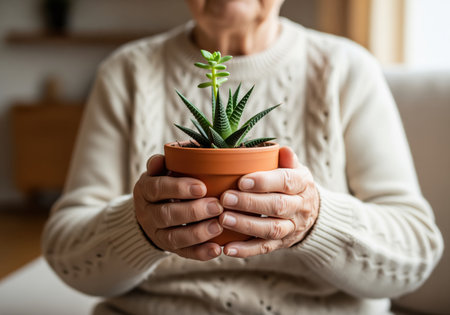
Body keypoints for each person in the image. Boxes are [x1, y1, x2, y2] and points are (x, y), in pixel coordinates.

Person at [42, 0, 443, 314]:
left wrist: (315, 219)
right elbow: (66, 252)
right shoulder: (126, 73)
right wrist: (142, 226)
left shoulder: (346, 70)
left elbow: (415, 253)